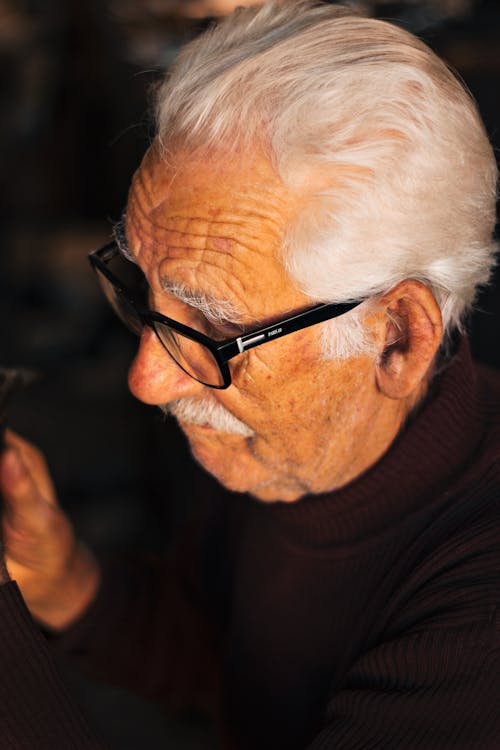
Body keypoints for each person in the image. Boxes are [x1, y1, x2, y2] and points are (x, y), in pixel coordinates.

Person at [1, 1, 499, 748]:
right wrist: (65, 580)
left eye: (218, 324)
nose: (148, 380)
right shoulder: (293, 447)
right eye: (143, 292)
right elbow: (238, 676)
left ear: (397, 337)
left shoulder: (478, 629)